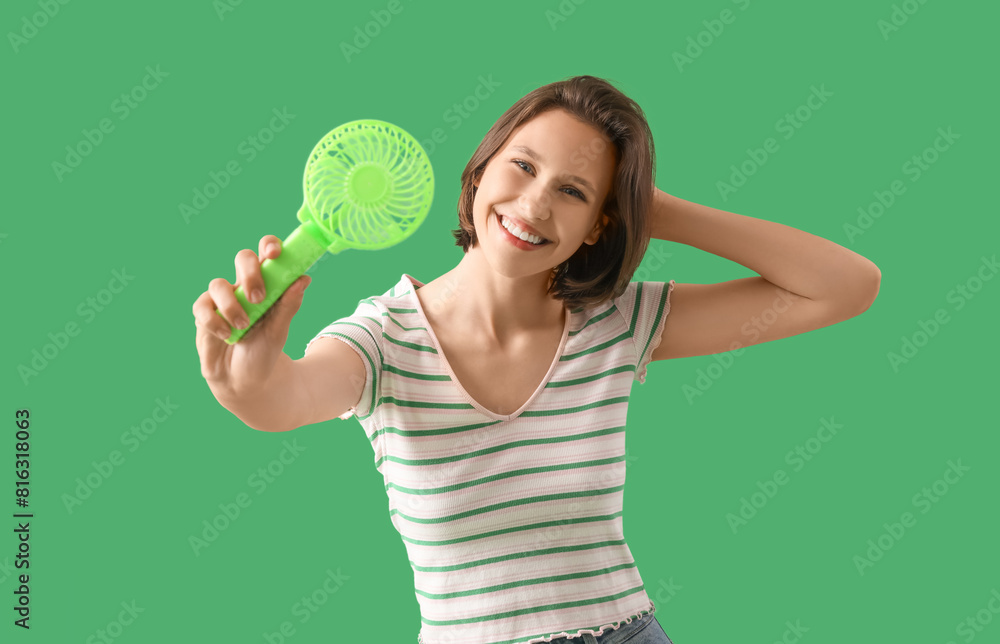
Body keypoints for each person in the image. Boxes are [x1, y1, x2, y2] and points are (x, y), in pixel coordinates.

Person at [193, 75, 880, 644]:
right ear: (481, 168)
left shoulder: (618, 323)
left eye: (574, 192)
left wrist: (654, 209)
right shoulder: (383, 338)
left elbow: (845, 286)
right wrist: (242, 375)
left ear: (600, 225)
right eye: (523, 166)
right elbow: (280, 397)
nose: (533, 204)